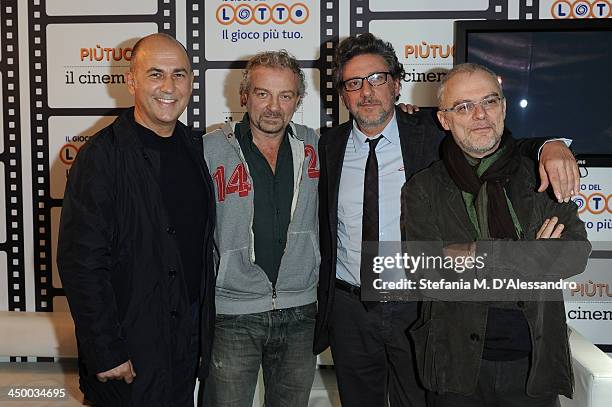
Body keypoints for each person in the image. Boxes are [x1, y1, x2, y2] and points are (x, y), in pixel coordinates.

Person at [314, 33, 581, 407]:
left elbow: (494, 141)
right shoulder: (327, 146)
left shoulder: (431, 129)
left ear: (396, 83)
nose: (367, 92)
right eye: (354, 83)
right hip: (350, 307)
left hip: (414, 305)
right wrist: (527, 257)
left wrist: (548, 145)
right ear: (343, 93)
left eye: (377, 78)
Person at [401, 62, 591, 406]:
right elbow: (424, 271)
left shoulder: (541, 177)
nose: (479, 115)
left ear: (502, 107)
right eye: (463, 106)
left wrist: (476, 253)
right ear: (445, 120)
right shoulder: (423, 188)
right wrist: (532, 255)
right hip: (454, 364)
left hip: (534, 363)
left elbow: (575, 251)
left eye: (489, 102)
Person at [57, 33, 216, 407]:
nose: (168, 87)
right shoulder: (100, 158)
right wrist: (106, 351)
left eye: (179, 74)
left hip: (185, 338)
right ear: (131, 81)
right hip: (128, 344)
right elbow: (81, 264)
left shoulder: (195, 148)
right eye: (155, 74)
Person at [201, 50, 319, 407]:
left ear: (298, 100)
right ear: (244, 96)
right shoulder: (209, 150)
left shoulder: (316, 146)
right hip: (233, 314)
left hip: (301, 312)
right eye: (262, 93)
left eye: (285, 96)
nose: (273, 107)